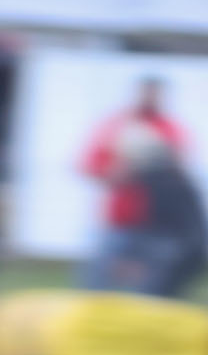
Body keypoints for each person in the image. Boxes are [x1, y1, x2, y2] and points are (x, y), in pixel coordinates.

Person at [81, 78, 197, 294]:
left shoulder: (170, 129)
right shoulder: (115, 125)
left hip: (157, 226)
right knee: (97, 281)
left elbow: (177, 169)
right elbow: (90, 165)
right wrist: (115, 173)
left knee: (149, 288)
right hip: (119, 219)